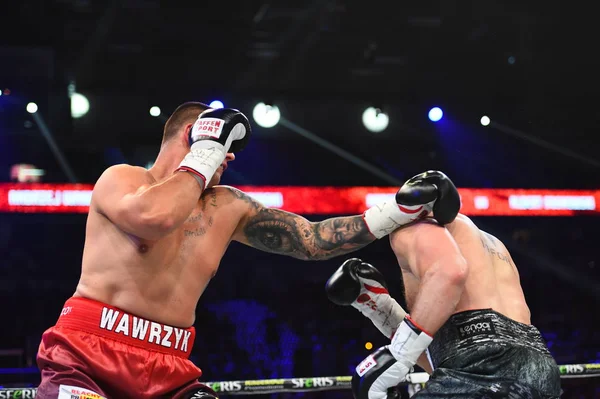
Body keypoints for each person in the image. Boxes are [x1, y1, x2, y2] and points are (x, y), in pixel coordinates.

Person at [35, 101, 461, 399]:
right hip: (88, 354)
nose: (230, 158)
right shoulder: (123, 180)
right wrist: (205, 152)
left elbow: (311, 240)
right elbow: (156, 218)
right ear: (194, 133)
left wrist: (396, 209)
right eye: (226, 147)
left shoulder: (228, 206)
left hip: (169, 368)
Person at [326, 213, 562, 399]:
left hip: (482, 367)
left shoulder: (410, 227)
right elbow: (457, 350)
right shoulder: (492, 244)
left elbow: (451, 273)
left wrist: (398, 355)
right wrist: (378, 306)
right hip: (540, 369)